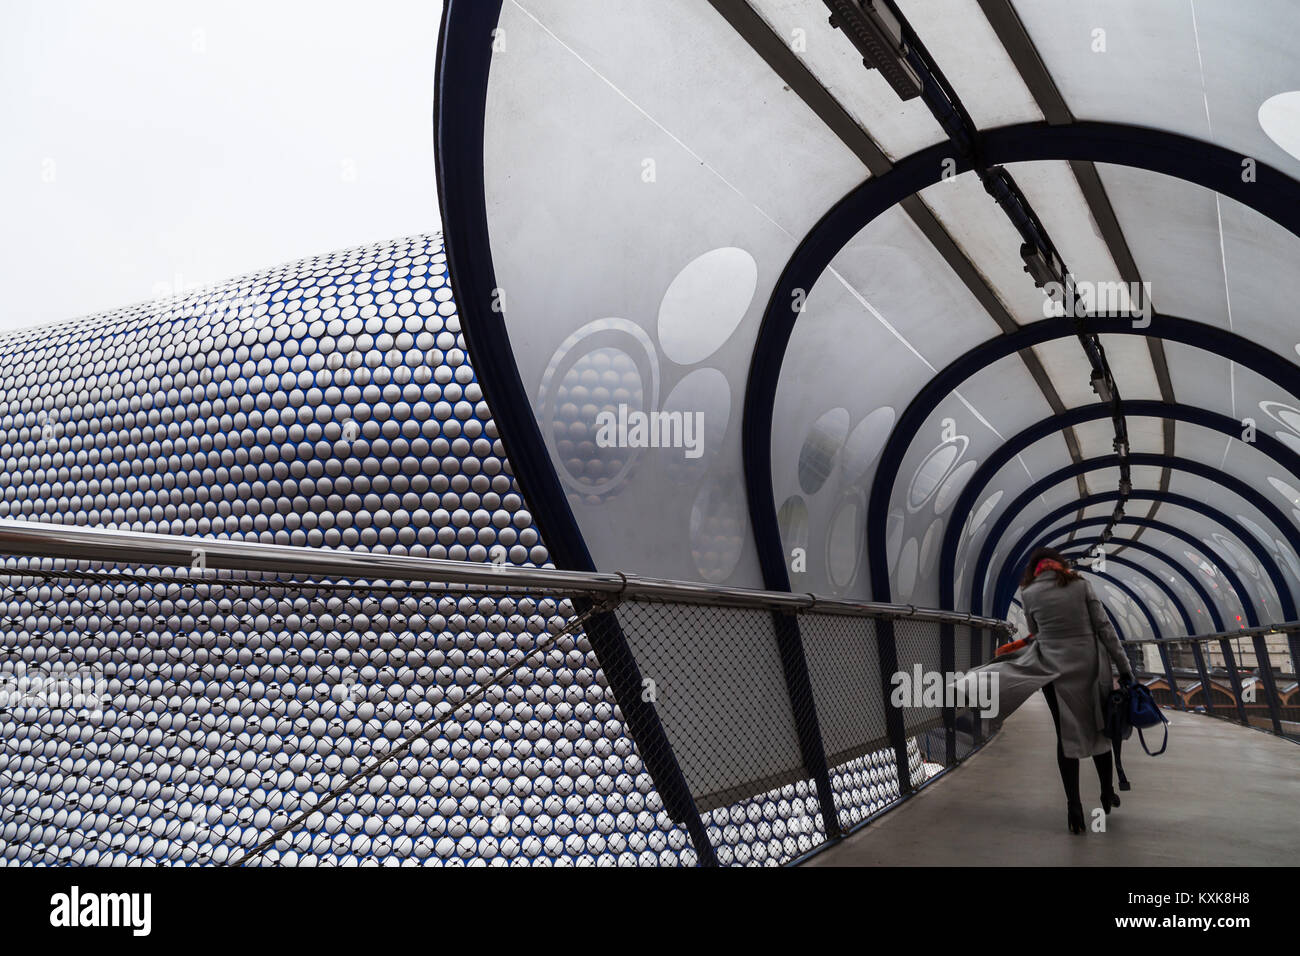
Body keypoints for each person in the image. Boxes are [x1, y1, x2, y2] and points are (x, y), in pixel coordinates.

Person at [977, 546, 1135, 833]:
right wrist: (1125, 669)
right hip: (1090, 666)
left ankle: (1073, 806)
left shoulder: (1028, 593)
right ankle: (1106, 791)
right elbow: (1105, 628)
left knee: (1067, 736)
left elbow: (1036, 632)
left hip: (1054, 671)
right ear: (1059, 564)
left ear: (1034, 569)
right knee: (1100, 729)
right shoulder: (1079, 584)